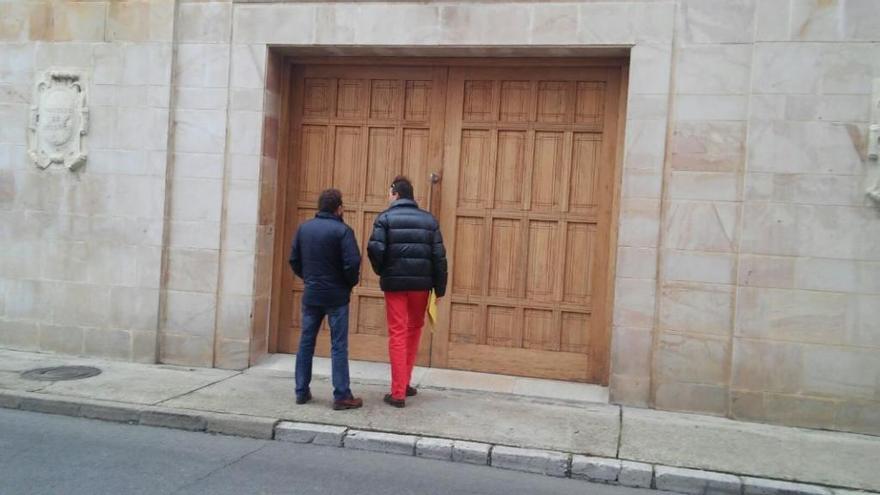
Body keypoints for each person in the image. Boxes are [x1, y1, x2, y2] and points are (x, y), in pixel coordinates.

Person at [367, 176, 448, 408]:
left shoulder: (385, 218)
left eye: (389, 193)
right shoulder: (429, 220)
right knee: (413, 331)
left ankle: (398, 392)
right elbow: (439, 257)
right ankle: (405, 383)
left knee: (398, 333)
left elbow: (375, 249)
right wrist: (439, 288)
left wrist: (383, 271)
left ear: (395, 194)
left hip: (395, 286)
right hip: (422, 286)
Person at [289, 189, 363, 410]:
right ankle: (342, 395)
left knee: (306, 342)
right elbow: (352, 263)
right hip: (337, 296)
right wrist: (347, 284)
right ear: (338, 208)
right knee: (338, 346)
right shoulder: (343, 231)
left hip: (312, 294)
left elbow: (294, 259)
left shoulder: (304, 229)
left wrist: (310, 278)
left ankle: (301, 391)